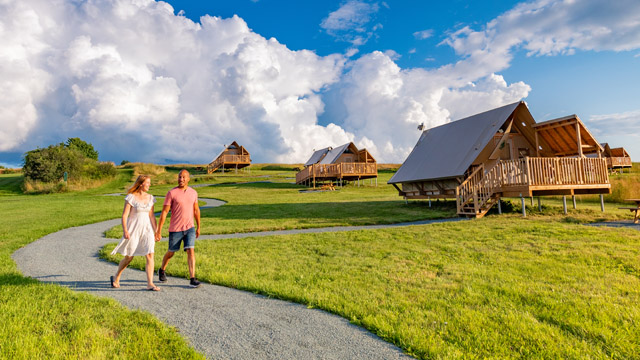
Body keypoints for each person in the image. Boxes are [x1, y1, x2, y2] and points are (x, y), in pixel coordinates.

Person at [110, 175, 160, 291]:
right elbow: (124, 215)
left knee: (150, 254)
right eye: (147, 183)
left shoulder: (151, 198)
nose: (149, 185)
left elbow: (152, 216)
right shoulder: (131, 197)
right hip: (133, 229)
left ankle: (150, 283)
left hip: (147, 229)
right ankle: (116, 276)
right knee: (129, 257)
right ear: (141, 184)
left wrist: (156, 231)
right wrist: (125, 230)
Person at [155, 169, 201, 288]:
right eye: (179, 177)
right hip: (175, 229)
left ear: (188, 179)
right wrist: (158, 230)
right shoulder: (171, 193)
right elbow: (164, 212)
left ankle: (192, 278)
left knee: (191, 250)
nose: (181, 179)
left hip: (190, 227)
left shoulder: (193, 193)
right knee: (171, 252)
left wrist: (198, 227)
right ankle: (162, 269)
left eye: (184, 177)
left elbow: (196, 210)